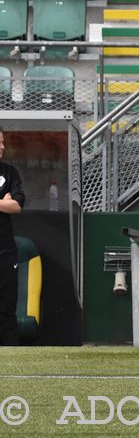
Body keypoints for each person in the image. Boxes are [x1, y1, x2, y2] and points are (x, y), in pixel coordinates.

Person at [0, 127, 24, 346]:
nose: (2, 147)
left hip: (5, 252)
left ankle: (11, 358)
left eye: (3, 142)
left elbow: (16, 205)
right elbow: (7, 204)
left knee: (7, 310)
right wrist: (2, 202)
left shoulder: (9, 172)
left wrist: (8, 203)